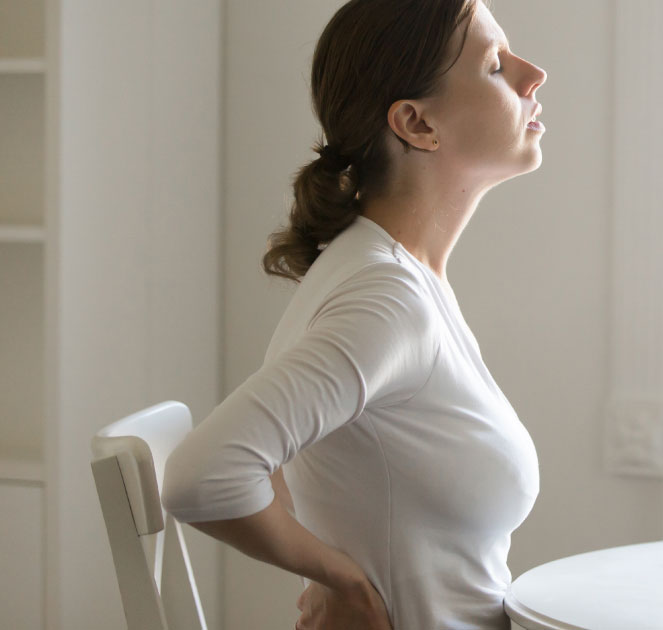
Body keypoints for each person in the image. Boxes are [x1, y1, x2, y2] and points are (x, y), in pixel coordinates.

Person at [161, 0, 547, 628]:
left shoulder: (390, 275)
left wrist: (336, 551)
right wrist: (343, 578)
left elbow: (320, 461)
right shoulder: (386, 298)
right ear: (416, 124)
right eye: (495, 64)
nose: (533, 75)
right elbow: (202, 475)